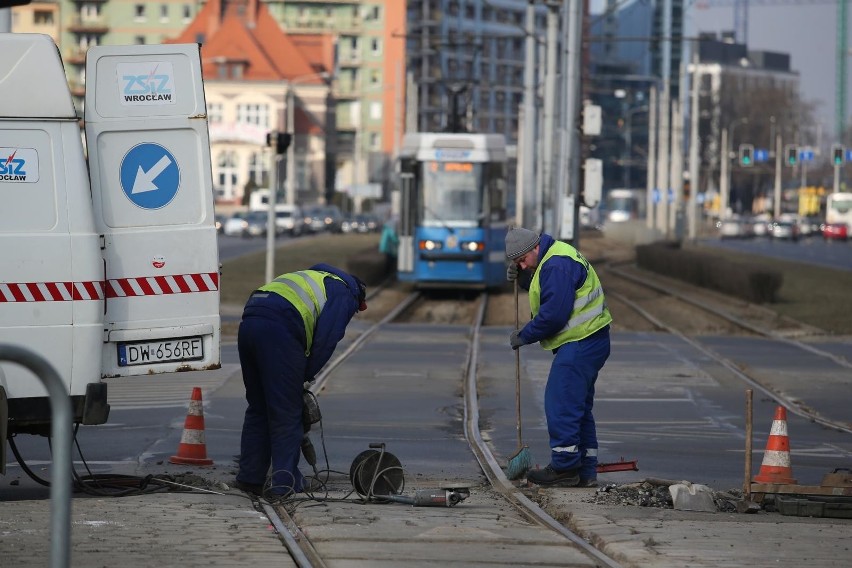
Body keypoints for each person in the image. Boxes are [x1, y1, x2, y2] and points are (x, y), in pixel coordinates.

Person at [235, 263, 367, 498]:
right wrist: (302, 376)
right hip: (279, 328)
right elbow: (325, 341)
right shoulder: (344, 292)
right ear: (358, 296)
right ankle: (284, 483)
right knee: (287, 411)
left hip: (250, 320)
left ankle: (250, 478)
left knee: (258, 407)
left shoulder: (314, 277)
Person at [505, 227, 612, 488]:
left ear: (534, 249)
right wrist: (523, 279)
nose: (522, 265)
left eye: (522, 260)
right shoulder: (554, 258)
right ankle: (586, 470)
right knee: (578, 408)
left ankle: (564, 468)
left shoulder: (557, 264)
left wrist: (525, 334)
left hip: (581, 342)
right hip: (590, 341)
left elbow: (554, 314)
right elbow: (548, 288)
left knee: (561, 401)